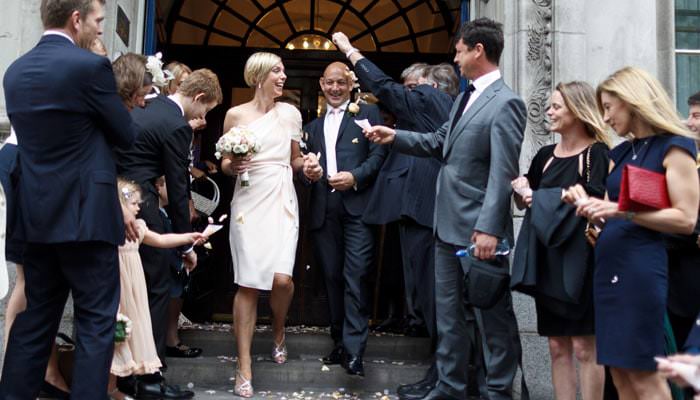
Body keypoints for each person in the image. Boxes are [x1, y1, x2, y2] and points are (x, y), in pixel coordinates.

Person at [365, 18, 527, 400]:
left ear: (478, 50)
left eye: (458, 50)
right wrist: (395, 136)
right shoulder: (465, 97)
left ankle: (498, 393)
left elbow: (503, 171)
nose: (454, 58)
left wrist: (489, 229)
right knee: (449, 318)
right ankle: (450, 388)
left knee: (491, 320)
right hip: (444, 226)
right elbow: (440, 142)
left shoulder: (507, 102)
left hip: (479, 232)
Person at [0, 0, 138, 398]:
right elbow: (125, 132)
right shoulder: (89, 67)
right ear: (76, 19)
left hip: (38, 216)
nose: (99, 29)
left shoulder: (15, 71)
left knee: (36, 319)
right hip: (88, 219)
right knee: (95, 323)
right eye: (97, 21)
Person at [332, 31, 457, 400]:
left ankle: (444, 378)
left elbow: (385, 88)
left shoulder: (431, 98)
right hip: (426, 210)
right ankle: (442, 374)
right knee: (433, 296)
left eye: (414, 88)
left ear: (431, 86)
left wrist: (352, 53)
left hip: (427, 211)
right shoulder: (445, 107)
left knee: (435, 299)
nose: (410, 94)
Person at [563, 66, 699, 399]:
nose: (605, 118)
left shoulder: (674, 147)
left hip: (639, 270)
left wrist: (620, 211)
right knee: (621, 376)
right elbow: (609, 214)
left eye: (609, 107)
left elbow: (686, 219)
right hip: (609, 267)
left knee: (643, 375)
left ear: (632, 101)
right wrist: (586, 205)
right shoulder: (621, 152)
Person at [115, 68, 222, 399]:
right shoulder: (177, 125)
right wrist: (184, 243)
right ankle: (150, 377)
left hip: (117, 195)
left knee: (136, 288)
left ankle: (130, 372)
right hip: (139, 200)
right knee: (158, 285)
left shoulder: (152, 105)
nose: (202, 117)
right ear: (199, 98)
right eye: (206, 110)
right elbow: (178, 189)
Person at [512, 81, 609, 400]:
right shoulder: (543, 156)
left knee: (585, 347)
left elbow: (594, 200)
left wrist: (536, 195)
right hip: (549, 258)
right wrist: (522, 191)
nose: (548, 112)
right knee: (556, 346)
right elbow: (531, 201)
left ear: (578, 111)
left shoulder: (596, 152)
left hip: (583, 260)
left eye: (556, 107)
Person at [220, 51, 308, 398]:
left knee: (282, 279)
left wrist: (308, 166)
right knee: (249, 282)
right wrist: (233, 166)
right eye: (277, 71)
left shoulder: (291, 113)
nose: (283, 76)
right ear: (259, 77)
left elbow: (295, 160)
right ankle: (243, 366)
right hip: (248, 199)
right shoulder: (235, 114)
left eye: (283, 71)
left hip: (282, 195)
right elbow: (225, 161)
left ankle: (278, 328)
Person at [300, 60, 386, 378]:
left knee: (356, 276)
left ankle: (354, 351)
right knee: (333, 278)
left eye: (341, 82)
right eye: (329, 83)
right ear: (321, 85)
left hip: (358, 209)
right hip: (325, 210)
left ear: (350, 84)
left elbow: (379, 156)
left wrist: (356, 177)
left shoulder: (368, 114)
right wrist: (309, 174)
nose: (335, 88)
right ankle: (338, 339)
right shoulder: (311, 128)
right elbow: (306, 168)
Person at [110, 179, 206, 400]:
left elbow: (162, 240)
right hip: (120, 289)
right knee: (118, 335)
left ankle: (127, 384)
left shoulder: (139, 228)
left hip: (136, 291)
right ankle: (112, 388)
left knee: (132, 332)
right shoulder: (112, 230)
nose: (138, 207)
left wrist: (188, 237)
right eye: (133, 203)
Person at [666, 90, 700, 354]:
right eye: (690, 115)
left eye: (696, 116)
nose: (689, 122)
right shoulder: (687, 162)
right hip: (680, 276)